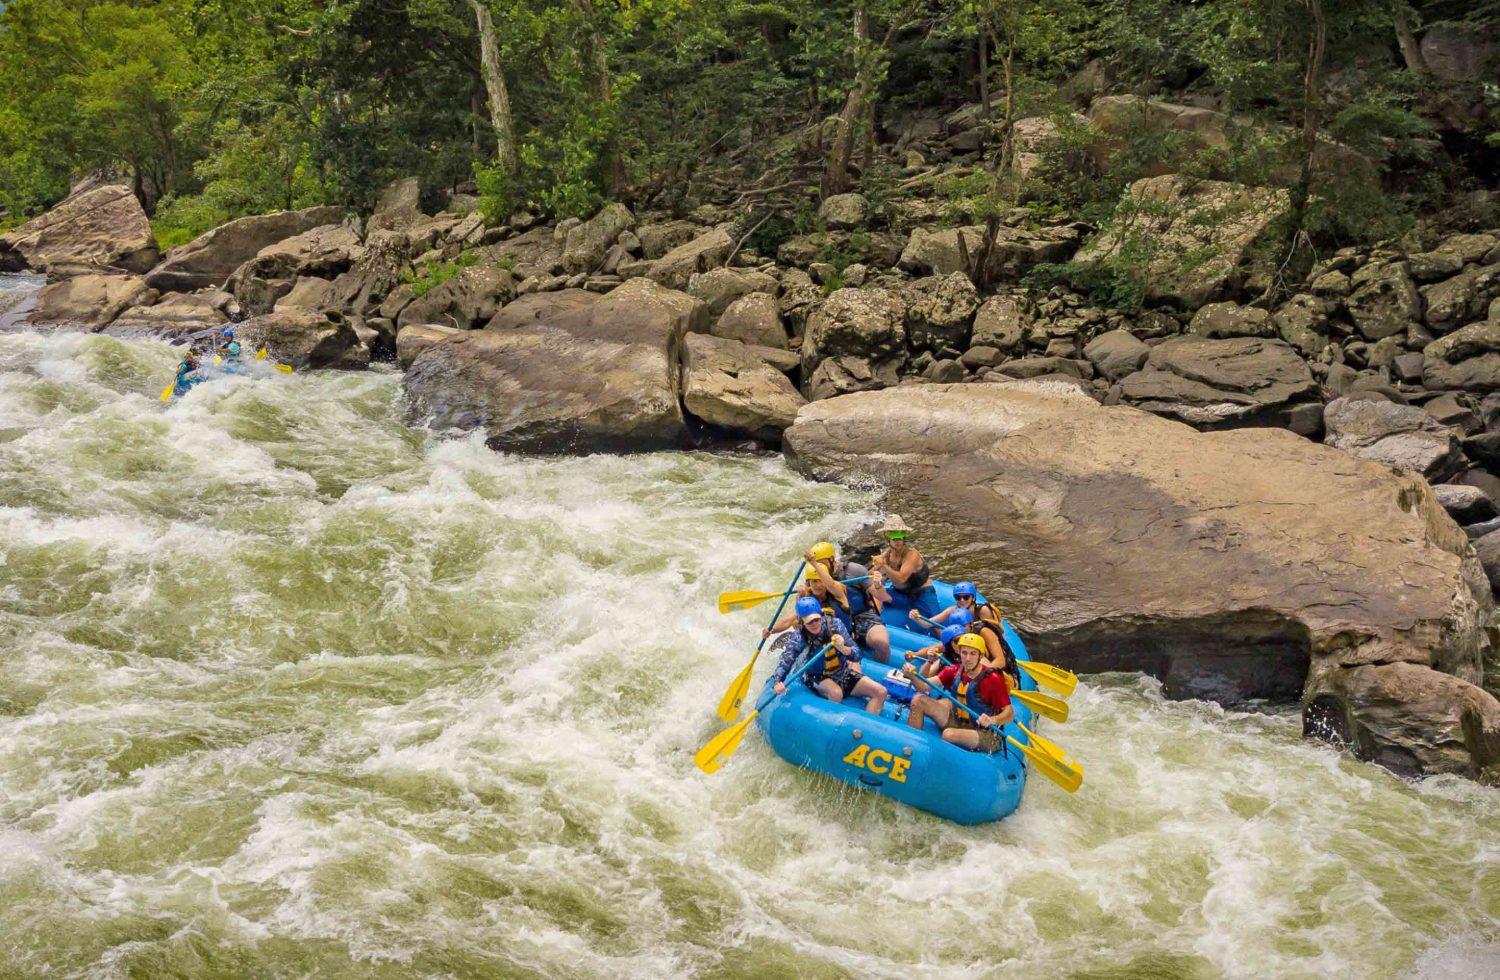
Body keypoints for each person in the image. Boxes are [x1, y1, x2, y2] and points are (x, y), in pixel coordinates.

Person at [771, 596, 888, 714]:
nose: (814, 624)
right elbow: (787, 660)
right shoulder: (799, 636)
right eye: (809, 621)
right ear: (802, 621)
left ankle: (867, 727)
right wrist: (777, 681)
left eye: (816, 619)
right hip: (816, 676)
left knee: (880, 691)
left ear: (820, 615)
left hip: (842, 673)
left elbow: (856, 654)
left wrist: (844, 649)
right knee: (836, 693)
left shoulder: (835, 625)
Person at [902, 634, 1013, 752]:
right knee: (919, 700)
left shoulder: (992, 679)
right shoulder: (953, 671)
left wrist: (993, 720)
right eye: (964, 653)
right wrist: (912, 676)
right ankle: (910, 746)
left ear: (980, 656)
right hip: (957, 720)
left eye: (973, 653)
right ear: (959, 653)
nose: (968, 658)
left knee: (948, 735)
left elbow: (1009, 713)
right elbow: (923, 687)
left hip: (984, 732)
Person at [873, 515, 940, 619]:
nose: (897, 540)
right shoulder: (888, 553)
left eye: (900, 535)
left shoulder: (912, 554)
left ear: (904, 537)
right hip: (900, 593)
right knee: (874, 590)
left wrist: (884, 565)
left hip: (921, 592)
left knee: (935, 623)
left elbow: (901, 579)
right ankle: (877, 618)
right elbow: (872, 572)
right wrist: (874, 571)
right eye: (894, 536)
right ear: (887, 537)